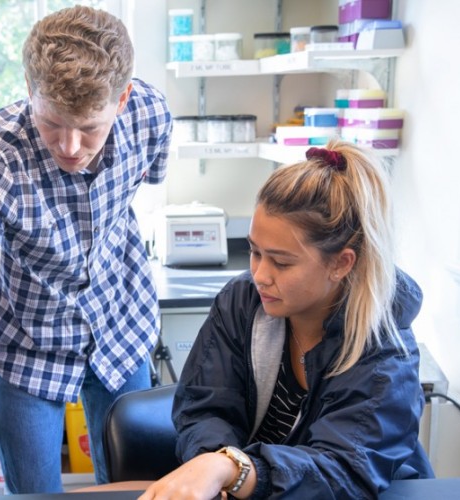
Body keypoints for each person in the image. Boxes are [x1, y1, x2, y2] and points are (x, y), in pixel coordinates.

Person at [0, 5, 172, 498]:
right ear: (29, 90)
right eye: (52, 123)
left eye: (90, 128)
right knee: (33, 494)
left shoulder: (151, 115)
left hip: (120, 324)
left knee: (141, 489)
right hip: (29, 344)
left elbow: (133, 199)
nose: (70, 146)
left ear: (122, 99)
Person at [141, 141, 433, 499]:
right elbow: (205, 408)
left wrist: (233, 469)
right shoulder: (241, 302)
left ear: (341, 263)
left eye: (281, 262)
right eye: (254, 251)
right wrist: (213, 465)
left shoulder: (383, 349)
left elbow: (342, 471)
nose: (260, 275)